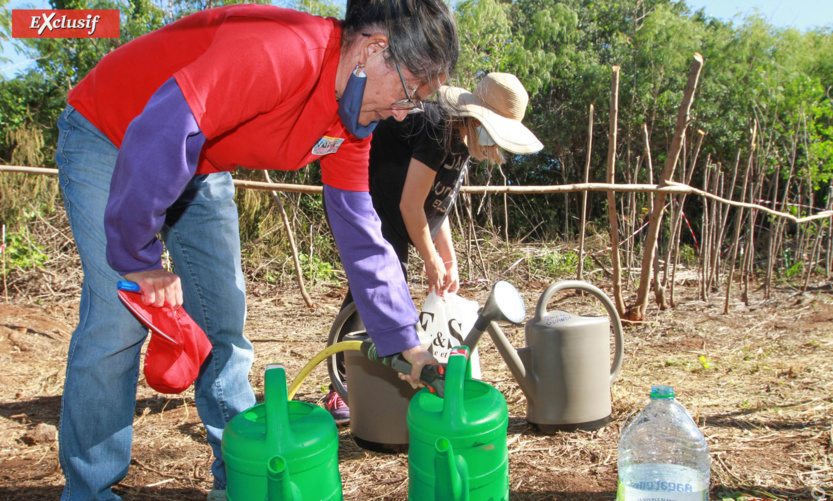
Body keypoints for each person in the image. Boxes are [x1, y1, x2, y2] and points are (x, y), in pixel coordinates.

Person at [53, 0, 458, 499]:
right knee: (119, 318)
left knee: (222, 320)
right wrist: (139, 260)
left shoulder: (354, 123)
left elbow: (361, 231)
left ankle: (241, 477)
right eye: (409, 90)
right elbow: (164, 127)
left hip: (199, 157)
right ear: (373, 49)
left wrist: (404, 340)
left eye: (416, 103)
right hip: (112, 129)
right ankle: (89, 490)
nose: (402, 112)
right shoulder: (284, 50)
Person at [325, 73, 543, 424]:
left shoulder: (464, 139)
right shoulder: (436, 126)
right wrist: (430, 258)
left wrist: (448, 257)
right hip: (369, 201)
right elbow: (411, 205)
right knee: (371, 290)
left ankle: (369, 381)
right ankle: (340, 385)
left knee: (383, 291)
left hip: (397, 209)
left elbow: (438, 202)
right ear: (476, 119)